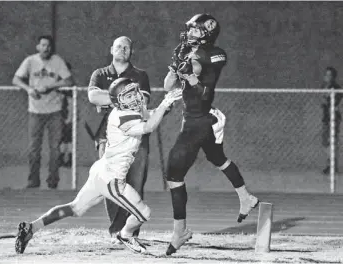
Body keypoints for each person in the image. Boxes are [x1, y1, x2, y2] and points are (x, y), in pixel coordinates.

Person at [15, 78, 182, 255]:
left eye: (134, 93)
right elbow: (148, 126)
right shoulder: (122, 117)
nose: (135, 97)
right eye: (129, 95)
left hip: (101, 171)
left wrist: (166, 105)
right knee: (144, 213)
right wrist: (164, 104)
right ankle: (125, 234)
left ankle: (31, 228)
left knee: (74, 208)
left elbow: (148, 115)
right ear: (118, 100)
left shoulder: (124, 111)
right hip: (112, 179)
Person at [163, 14, 259, 255]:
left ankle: (180, 231)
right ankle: (245, 196)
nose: (189, 32)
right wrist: (176, 71)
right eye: (190, 29)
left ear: (206, 34)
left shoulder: (213, 54)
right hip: (195, 117)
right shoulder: (188, 52)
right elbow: (167, 86)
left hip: (199, 120)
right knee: (217, 157)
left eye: (195, 30)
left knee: (174, 173)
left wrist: (191, 75)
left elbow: (205, 93)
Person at [88, 36, 151, 242]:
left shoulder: (140, 75)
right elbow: (93, 97)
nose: (122, 49)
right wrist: (125, 97)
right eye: (118, 46)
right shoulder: (100, 73)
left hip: (136, 137)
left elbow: (142, 103)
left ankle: (131, 232)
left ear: (131, 52)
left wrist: (109, 100)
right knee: (111, 184)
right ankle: (116, 232)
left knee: (135, 184)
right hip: (108, 138)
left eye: (126, 47)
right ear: (111, 49)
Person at [12, 35, 74, 189]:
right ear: (38, 47)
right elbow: (16, 79)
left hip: (55, 111)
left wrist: (50, 87)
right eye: (43, 45)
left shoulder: (57, 61)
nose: (46, 48)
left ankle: (53, 183)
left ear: (51, 48)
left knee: (55, 148)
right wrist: (29, 89)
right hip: (35, 111)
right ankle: (33, 182)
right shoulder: (30, 61)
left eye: (48, 46)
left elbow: (69, 81)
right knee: (34, 148)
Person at [321, 67, 342, 174]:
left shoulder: (336, 88)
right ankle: (330, 163)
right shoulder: (324, 87)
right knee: (325, 142)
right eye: (326, 75)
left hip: (333, 117)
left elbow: (336, 103)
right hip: (326, 118)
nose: (327, 77)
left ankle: (332, 165)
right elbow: (323, 102)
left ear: (333, 77)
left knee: (332, 141)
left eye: (329, 75)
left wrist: (329, 101)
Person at [59, 62, 73, 168]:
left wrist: (70, 117)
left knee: (68, 138)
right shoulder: (59, 83)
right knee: (61, 138)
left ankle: (70, 158)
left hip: (67, 115)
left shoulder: (69, 85)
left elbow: (71, 101)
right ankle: (61, 157)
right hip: (60, 115)